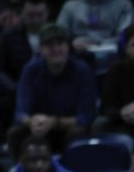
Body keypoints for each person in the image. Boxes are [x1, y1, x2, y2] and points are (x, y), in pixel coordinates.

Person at [9, 24, 96, 156]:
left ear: (68, 46)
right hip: (40, 128)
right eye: (49, 45)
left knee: (77, 131)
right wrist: (32, 122)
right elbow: (20, 112)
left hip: (68, 128)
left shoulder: (82, 71)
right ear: (41, 49)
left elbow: (86, 116)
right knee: (15, 133)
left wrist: (54, 122)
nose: (55, 49)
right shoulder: (31, 70)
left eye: (60, 44)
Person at [0, 0, 50, 147]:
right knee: (5, 103)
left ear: (47, 13)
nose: (36, 20)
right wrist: (17, 88)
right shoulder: (7, 36)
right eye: (31, 15)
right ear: (22, 14)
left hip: (51, 90)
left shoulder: (57, 37)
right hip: (17, 90)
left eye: (40, 15)